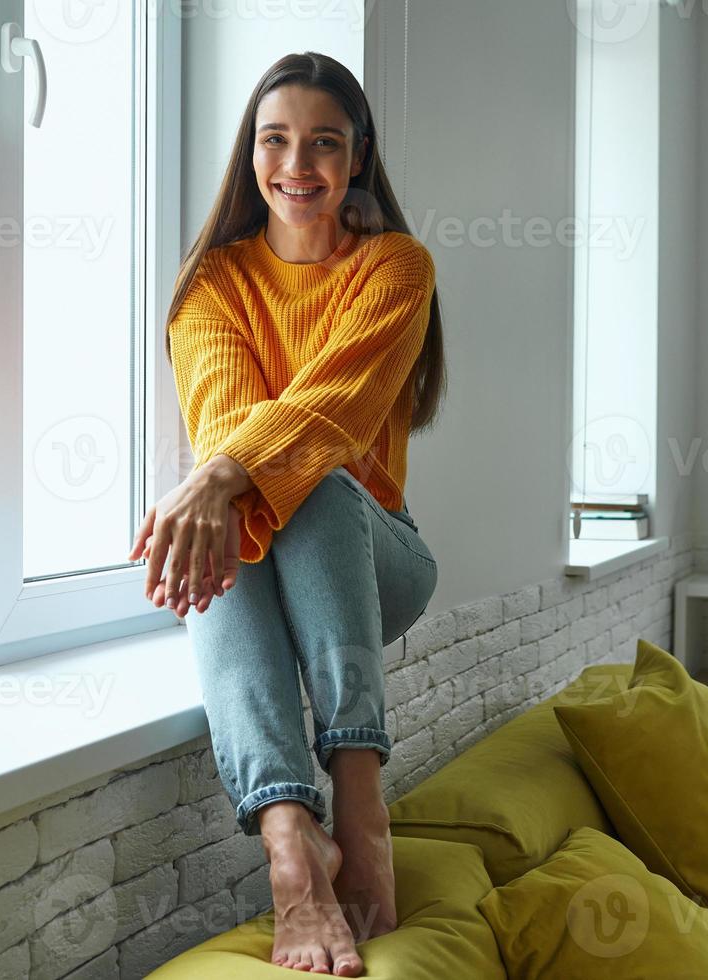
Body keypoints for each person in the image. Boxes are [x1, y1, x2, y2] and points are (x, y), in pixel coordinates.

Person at [126, 51, 447, 977]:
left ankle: (359, 804)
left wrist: (208, 481)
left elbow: (332, 416)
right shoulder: (211, 285)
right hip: (261, 554)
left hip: (378, 559)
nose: (296, 164)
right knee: (237, 508)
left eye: (323, 143)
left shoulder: (395, 269)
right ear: (250, 154)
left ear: (357, 159)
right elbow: (230, 419)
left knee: (306, 481)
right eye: (275, 140)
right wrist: (213, 487)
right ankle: (287, 843)